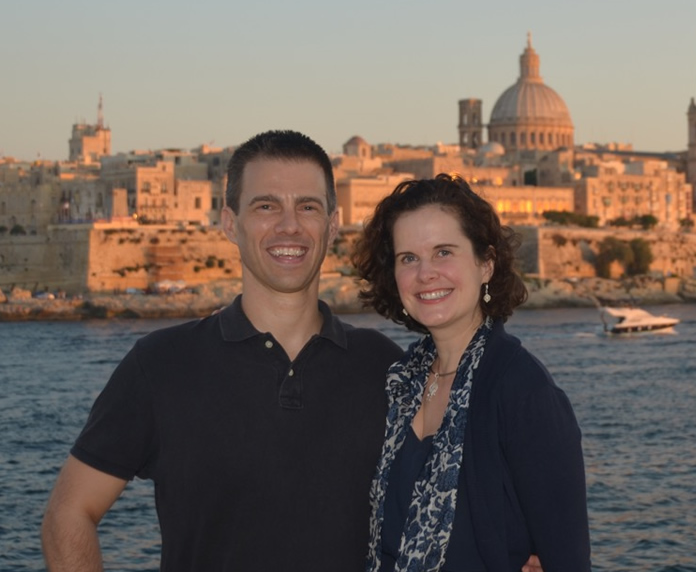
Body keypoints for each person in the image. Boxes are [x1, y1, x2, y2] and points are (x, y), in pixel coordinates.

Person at [40, 130, 404, 571]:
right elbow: (69, 513)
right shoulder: (161, 364)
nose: (289, 225)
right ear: (229, 223)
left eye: (307, 207)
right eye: (266, 206)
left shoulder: (384, 366)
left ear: (332, 224)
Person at [352, 174, 591, 571]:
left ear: (486, 264)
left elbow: (567, 558)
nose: (425, 273)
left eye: (444, 252)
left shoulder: (521, 390)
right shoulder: (401, 384)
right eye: (408, 258)